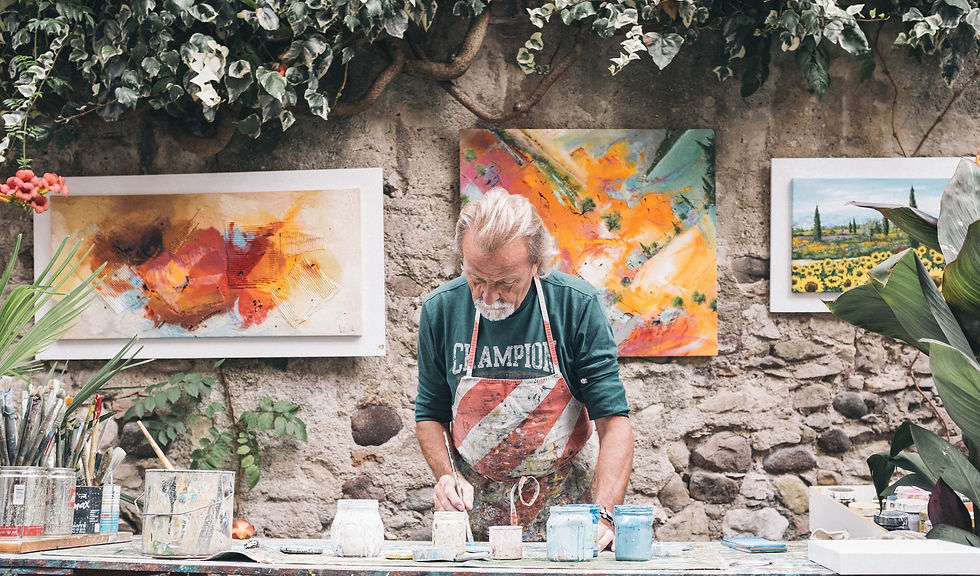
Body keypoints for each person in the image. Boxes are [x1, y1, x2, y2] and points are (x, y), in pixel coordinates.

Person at [415, 187, 634, 549]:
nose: (487, 297)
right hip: (476, 516)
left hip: (571, 513)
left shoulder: (575, 306)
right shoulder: (441, 310)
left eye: (505, 283)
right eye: (476, 279)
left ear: (536, 265)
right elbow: (430, 415)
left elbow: (614, 424)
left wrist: (604, 515)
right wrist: (446, 476)